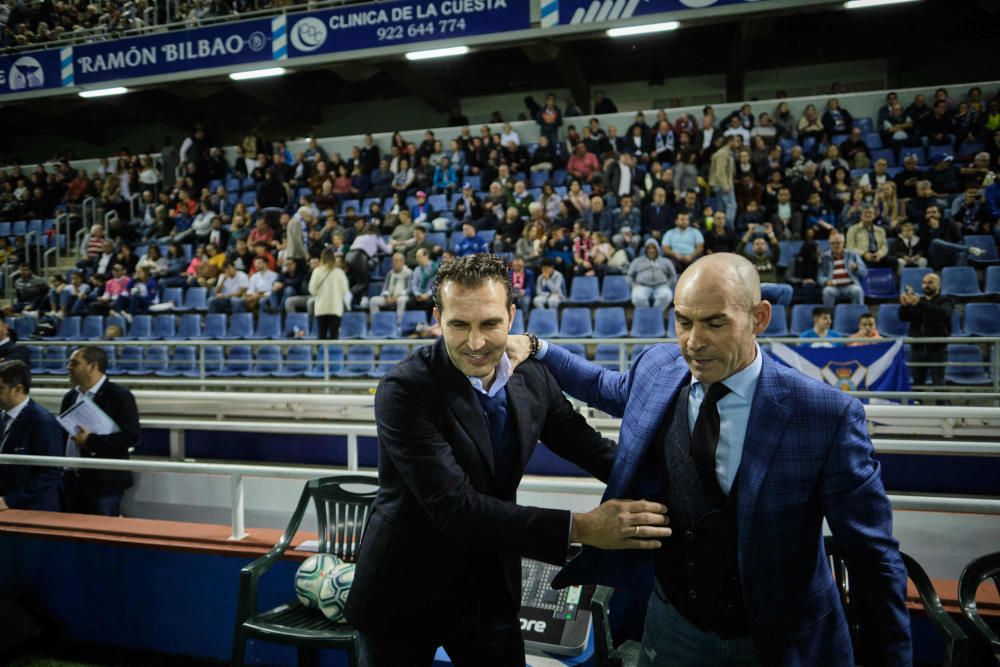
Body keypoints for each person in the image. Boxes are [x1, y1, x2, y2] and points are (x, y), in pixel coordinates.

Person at [505, 252, 911, 666]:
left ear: (759, 318)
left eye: (715, 323)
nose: (693, 342)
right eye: (684, 321)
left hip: (781, 640)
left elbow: (873, 559)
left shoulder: (826, 416)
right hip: (671, 625)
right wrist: (538, 346)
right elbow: (603, 386)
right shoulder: (659, 366)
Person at [348, 254, 669, 666]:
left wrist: (677, 483)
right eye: (459, 324)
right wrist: (583, 528)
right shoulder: (404, 390)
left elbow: (591, 448)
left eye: (490, 324)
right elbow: (456, 508)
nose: (476, 342)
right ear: (437, 317)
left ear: (512, 316)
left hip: (489, 589)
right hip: (403, 588)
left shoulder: (533, 377)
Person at [61, 347, 139, 516]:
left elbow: (131, 436)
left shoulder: (119, 395)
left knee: (102, 537)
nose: (68, 367)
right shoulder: (70, 397)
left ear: (93, 366)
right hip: (72, 479)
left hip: (105, 482)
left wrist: (90, 441)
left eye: (74, 363)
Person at [0, 360, 64, 512]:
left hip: (32, 509)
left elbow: (50, 473)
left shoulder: (43, 421)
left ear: (17, 389)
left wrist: (10, 500)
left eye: (0, 389)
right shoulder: (3, 416)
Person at [899, 272, 953, 387]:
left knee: (939, 383)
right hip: (917, 349)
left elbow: (941, 314)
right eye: (924, 282)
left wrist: (919, 304)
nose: (926, 285)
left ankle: (941, 404)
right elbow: (904, 317)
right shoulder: (919, 301)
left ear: (939, 284)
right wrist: (904, 306)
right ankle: (918, 404)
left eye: (930, 282)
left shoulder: (946, 301)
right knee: (918, 384)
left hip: (937, 350)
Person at [309, 248, 350, 340]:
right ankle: (334, 354)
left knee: (321, 336)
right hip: (335, 308)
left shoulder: (317, 271)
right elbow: (345, 291)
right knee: (334, 337)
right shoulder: (339, 273)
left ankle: (321, 354)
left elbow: (312, 290)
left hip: (321, 308)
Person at [819, 233, 866, 309]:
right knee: (827, 291)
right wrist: (825, 282)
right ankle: (828, 316)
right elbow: (819, 275)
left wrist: (857, 268)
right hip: (833, 287)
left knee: (857, 290)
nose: (835, 245)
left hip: (850, 285)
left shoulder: (852, 254)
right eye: (833, 243)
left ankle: (857, 315)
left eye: (838, 243)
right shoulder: (824, 257)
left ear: (843, 243)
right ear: (829, 244)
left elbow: (864, 272)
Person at [628, 240, 677, 313]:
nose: (651, 250)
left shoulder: (666, 261)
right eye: (649, 248)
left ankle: (656, 313)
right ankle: (646, 313)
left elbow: (673, 275)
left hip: (661, 286)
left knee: (666, 295)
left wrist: (668, 285)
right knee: (637, 297)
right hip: (642, 286)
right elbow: (629, 275)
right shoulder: (637, 261)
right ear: (645, 250)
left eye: (653, 248)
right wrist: (634, 285)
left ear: (657, 249)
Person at [370, 252, 413, 323]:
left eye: (396, 261)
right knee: (373, 300)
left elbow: (409, 289)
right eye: (393, 260)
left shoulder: (409, 273)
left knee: (401, 300)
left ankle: (398, 325)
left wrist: (396, 298)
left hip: (401, 297)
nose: (393, 263)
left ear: (402, 261)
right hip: (389, 298)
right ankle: (375, 324)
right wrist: (387, 297)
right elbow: (385, 288)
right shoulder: (390, 273)